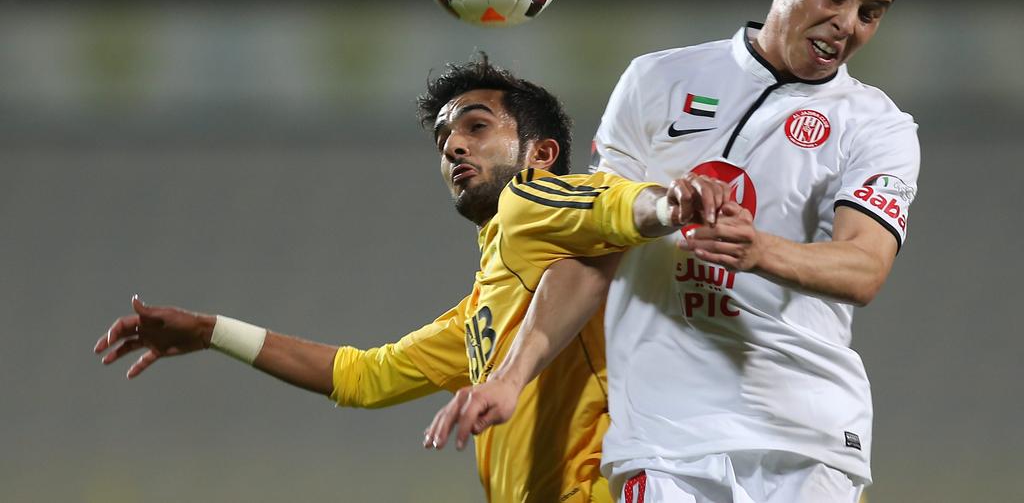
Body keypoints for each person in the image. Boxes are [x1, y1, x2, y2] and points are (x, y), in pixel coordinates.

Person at [425, 0, 919, 503]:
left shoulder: (879, 126)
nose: (846, 23)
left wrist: (761, 250)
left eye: (870, 13)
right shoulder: (656, 81)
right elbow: (592, 255)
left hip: (805, 440)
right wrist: (511, 378)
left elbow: (864, 267)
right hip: (665, 441)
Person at [94, 56, 731, 503]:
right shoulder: (486, 306)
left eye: (477, 127)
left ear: (541, 154)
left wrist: (668, 205)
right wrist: (211, 331)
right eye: (444, 137)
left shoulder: (530, 205)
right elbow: (360, 377)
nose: (453, 146)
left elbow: (612, 205)